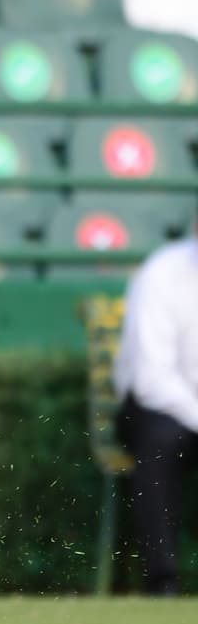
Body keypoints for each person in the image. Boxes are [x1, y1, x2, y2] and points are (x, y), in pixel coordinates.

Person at [114, 223, 198, 596]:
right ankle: (162, 579)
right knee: (160, 438)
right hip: (157, 409)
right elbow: (151, 381)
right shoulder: (162, 273)